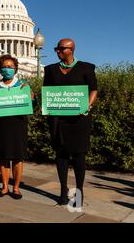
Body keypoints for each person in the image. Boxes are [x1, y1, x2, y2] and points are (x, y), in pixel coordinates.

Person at [43, 38, 98, 205]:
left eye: (60, 49)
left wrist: (87, 105)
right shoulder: (51, 70)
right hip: (59, 120)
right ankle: (63, 190)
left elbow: (93, 89)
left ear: (71, 49)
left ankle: (79, 192)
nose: (57, 51)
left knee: (79, 156)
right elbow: (47, 92)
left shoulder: (86, 68)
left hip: (79, 120)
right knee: (61, 155)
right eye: (56, 49)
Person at [0, 55, 34, 200]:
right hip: (1, 126)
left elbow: (32, 105)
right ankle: (4, 187)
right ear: (0, 69)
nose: (7, 69)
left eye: (10, 67)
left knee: (17, 158)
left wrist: (32, 97)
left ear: (15, 69)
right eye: (4, 66)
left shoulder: (23, 85)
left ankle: (16, 188)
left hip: (18, 126)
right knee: (3, 158)